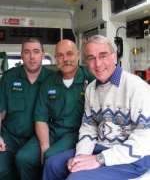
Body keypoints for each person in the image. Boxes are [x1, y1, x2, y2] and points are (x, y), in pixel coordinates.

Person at [43, 35, 150, 180]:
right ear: (86, 62)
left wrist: (99, 159)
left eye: (103, 55)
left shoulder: (136, 87)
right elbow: (89, 127)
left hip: (133, 158)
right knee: (52, 164)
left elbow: (144, 141)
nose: (98, 64)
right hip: (101, 147)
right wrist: (82, 156)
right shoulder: (91, 89)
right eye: (91, 58)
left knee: (76, 178)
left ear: (114, 56)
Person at [33, 39, 94, 173]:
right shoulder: (48, 82)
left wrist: (46, 152)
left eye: (69, 54)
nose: (65, 59)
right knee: (23, 158)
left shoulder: (90, 79)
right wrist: (44, 146)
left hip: (77, 133)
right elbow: (40, 118)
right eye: (60, 55)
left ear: (78, 55)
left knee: (50, 156)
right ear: (55, 58)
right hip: (52, 130)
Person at [0, 38, 52, 180]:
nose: (32, 57)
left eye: (36, 51)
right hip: (10, 137)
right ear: (21, 55)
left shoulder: (52, 79)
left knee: (26, 162)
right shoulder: (9, 77)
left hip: (36, 139)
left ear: (43, 54)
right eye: (27, 52)